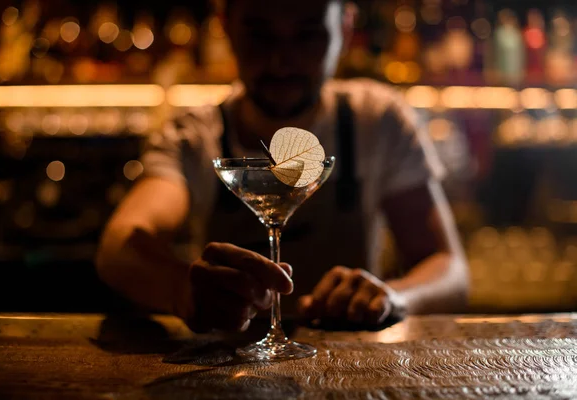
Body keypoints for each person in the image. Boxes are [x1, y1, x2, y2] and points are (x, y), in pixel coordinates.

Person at [97, 0, 469, 333]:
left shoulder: (377, 120)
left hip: (352, 370)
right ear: (226, 26)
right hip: (227, 371)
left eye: (307, 35)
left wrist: (391, 297)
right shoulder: (194, 136)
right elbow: (119, 247)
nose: (281, 60)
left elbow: (449, 269)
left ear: (344, 26)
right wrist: (180, 289)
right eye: (260, 35)